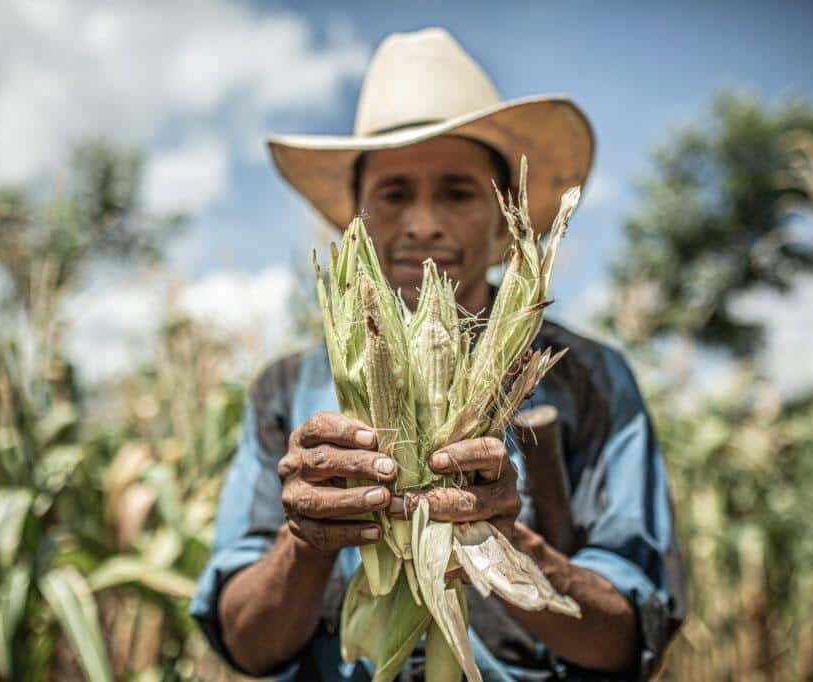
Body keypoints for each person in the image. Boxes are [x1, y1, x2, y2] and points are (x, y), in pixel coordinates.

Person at [191, 27, 685, 681]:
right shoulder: (287, 390)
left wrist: (504, 541)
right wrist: (307, 542)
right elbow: (247, 641)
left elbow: (630, 638)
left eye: (457, 192)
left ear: (507, 217)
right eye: (394, 195)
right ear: (355, 220)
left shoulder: (591, 380)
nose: (423, 222)